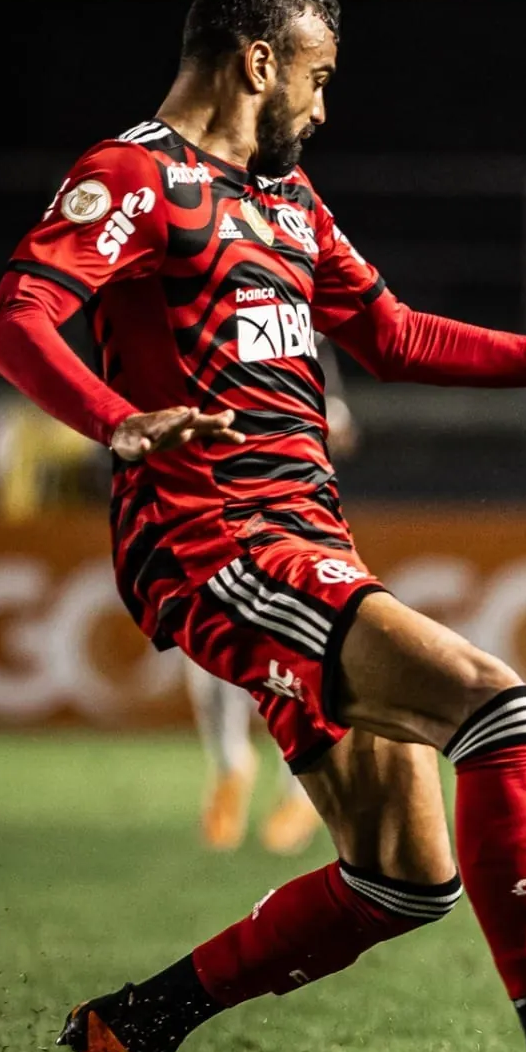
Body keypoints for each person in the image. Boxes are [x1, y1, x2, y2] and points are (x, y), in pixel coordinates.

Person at [0, 0, 526, 1052]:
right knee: (495, 702)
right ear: (257, 61)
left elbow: (395, 332)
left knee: (406, 874)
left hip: (304, 540)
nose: (325, 105)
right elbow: (16, 317)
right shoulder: (135, 177)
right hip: (213, 541)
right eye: (318, 76)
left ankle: (135, 1023)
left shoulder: (288, 201)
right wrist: (118, 418)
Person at [190, 347, 353, 855]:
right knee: (208, 643)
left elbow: (344, 427)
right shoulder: (206, 335)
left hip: (296, 521)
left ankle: (299, 790)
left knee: (300, 658)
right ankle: (230, 764)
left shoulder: (301, 338)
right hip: (226, 517)